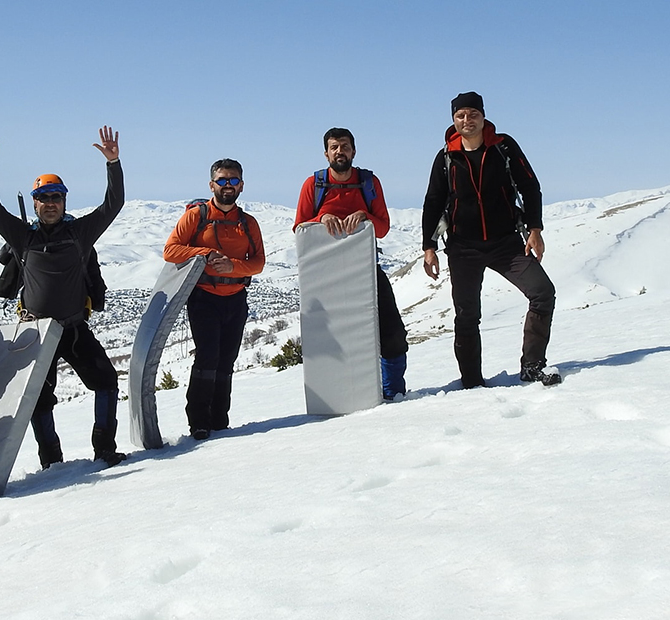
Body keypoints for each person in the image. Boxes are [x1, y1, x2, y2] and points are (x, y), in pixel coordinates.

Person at [0, 123, 128, 467]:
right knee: (40, 400)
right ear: (35, 202)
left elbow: (113, 204)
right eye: (43, 198)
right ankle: (51, 462)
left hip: (73, 329)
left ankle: (104, 449)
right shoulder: (22, 237)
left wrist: (113, 165)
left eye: (56, 197)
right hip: (37, 333)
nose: (50, 203)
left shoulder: (80, 233)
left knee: (105, 382)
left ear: (64, 200)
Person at [420, 91, 560, 387]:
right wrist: (429, 247)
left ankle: (532, 366)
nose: (467, 120)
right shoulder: (446, 156)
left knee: (542, 292)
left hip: (507, 243)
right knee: (467, 315)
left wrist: (535, 229)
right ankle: (471, 381)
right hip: (462, 248)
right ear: (453, 120)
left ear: (483, 116)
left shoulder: (503, 147)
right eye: (460, 115)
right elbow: (433, 201)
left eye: (472, 114)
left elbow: (530, 186)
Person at [293, 127, 409, 400]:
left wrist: (365, 215)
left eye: (344, 146)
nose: (340, 151)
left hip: (366, 268)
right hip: (324, 274)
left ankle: (394, 393)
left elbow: (382, 228)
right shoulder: (314, 185)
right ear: (326, 153)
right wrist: (320, 220)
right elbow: (299, 228)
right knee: (331, 339)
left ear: (353, 151)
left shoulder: (369, 183)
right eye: (334, 147)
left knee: (392, 333)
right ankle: (337, 396)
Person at [163, 159, 266, 440]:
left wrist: (234, 266)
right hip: (204, 297)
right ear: (212, 185)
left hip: (235, 298)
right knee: (208, 357)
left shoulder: (248, 223)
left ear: (241, 185)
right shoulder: (196, 216)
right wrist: (204, 254)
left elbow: (257, 263)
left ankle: (220, 419)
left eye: (233, 180)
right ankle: (198, 421)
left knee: (227, 360)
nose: (228, 185)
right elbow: (170, 250)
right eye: (222, 180)